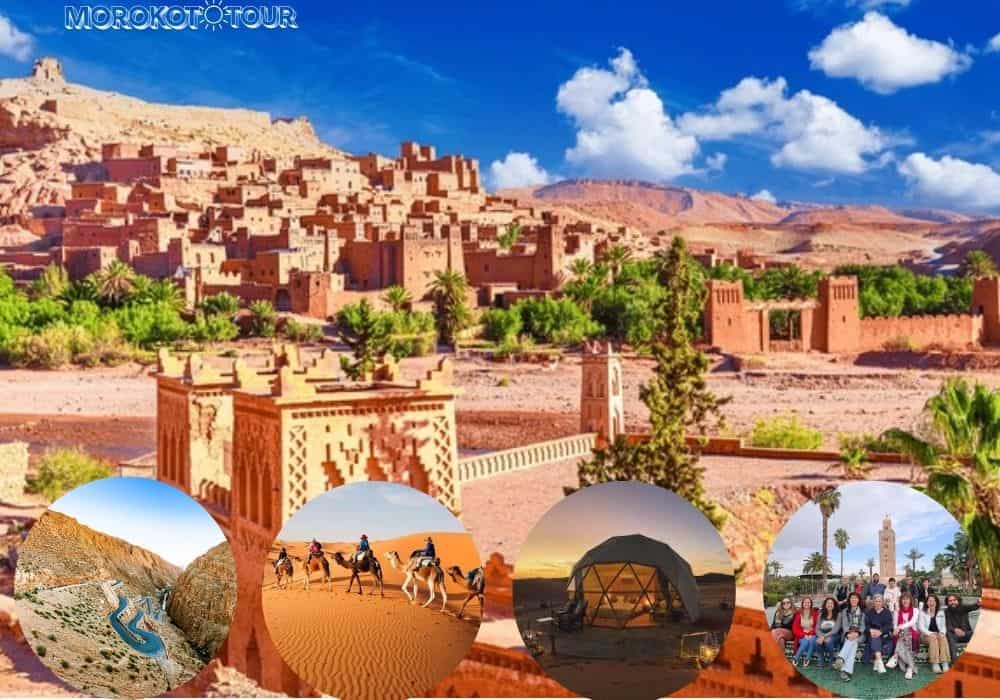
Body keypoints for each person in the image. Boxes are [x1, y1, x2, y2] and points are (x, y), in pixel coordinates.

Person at [833, 591, 865, 682]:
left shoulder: (862, 612)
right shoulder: (845, 611)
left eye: (856, 598)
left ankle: (840, 658)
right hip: (848, 634)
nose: (854, 599)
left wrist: (857, 633)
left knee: (852, 641)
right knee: (853, 644)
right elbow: (845, 625)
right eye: (852, 598)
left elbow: (863, 626)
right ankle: (845, 671)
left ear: (858, 600)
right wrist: (848, 634)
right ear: (849, 600)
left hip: (859, 635)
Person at [887, 591, 919, 680]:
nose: (905, 601)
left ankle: (896, 655)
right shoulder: (898, 611)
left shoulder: (915, 610)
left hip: (913, 634)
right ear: (901, 601)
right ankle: (910, 667)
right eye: (903, 599)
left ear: (910, 600)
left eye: (907, 599)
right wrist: (895, 629)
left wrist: (899, 627)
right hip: (901, 635)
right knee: (904, 632)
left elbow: (912, 622)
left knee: (906, 630)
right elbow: (894, 624)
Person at [918, 594, 951, 673]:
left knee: (943, 637)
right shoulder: (923, 613)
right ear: (927, 603)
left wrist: (942, 633)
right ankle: (935, 663)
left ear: (936, 602)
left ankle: (944, 663)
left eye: (933, 601)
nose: (931, 602)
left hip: (938, 634)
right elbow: (921, 627)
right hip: (925, 635)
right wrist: (930, 633)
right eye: (929, 601)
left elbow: (944, 625)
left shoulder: (941, 612)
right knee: (933, 638)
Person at [864, 594, 894, 674]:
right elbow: (866, 625)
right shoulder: (869, 612)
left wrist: (880, 631)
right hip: (872, 634)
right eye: (876, 601)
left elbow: (889, 625)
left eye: (880, 601)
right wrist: (870, 630)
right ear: (873, 602)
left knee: (876, 639)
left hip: (884, 635)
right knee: (874, 638)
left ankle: (877, 661)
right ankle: (880, 662)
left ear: (882, 602)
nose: (878, 603)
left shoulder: (887, 612)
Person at [945, 594, 980, 662]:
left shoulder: (963, 607)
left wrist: (978, 603)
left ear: (958, 600)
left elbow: (974, 606)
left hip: (966, 634)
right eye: (950, 601)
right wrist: (955, 630)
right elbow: (947, 625)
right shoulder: (946, 611)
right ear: (947, 603)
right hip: (953, 635)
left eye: (954, 600)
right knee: (949, 634)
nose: (952, 602)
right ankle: (954, 661)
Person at [791, 597, 819, 667]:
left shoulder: (815, 613)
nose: (807, 604)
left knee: (812, 641)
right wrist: (804, 635)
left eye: (808, 602)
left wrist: (810, 634)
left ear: (811, 604)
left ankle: (807, 658)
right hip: (801, 634)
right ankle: (796, 658)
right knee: (805, 642)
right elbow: (795, 628)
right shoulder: (798, 613)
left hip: (813, 633)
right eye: (805, 602)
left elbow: (817, 626)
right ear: (802, 604)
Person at [816, 597, 841, 668]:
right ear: (825, 604)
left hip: (834, 635)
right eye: (828, 603)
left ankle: (831, 659)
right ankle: (821, 659)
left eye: (831, 603)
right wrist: (821, 636)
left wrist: (824, 637)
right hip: (822, 634)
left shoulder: (838, 615)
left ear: (834, 605)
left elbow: (836, 629)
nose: (829, 605)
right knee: (817, 642)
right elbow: (817, 628)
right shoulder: (821, 614)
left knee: (828, 642)